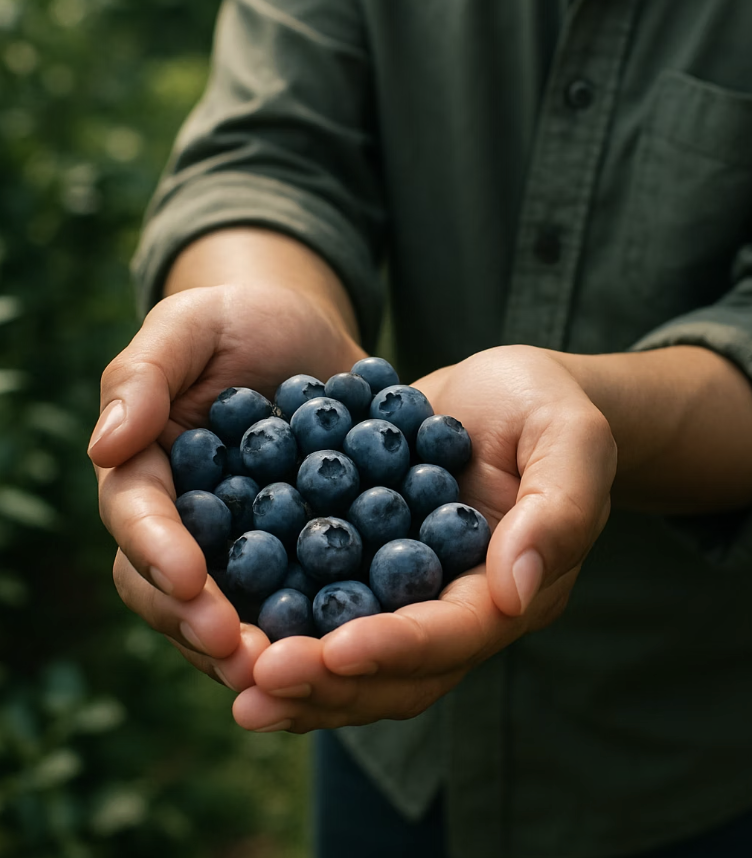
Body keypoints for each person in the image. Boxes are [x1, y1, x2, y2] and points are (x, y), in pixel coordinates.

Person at [88, 2, 752, 856]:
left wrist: (599, 411)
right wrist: (254, 299)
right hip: (392, 766)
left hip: (680, 741)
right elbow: (268, 153)